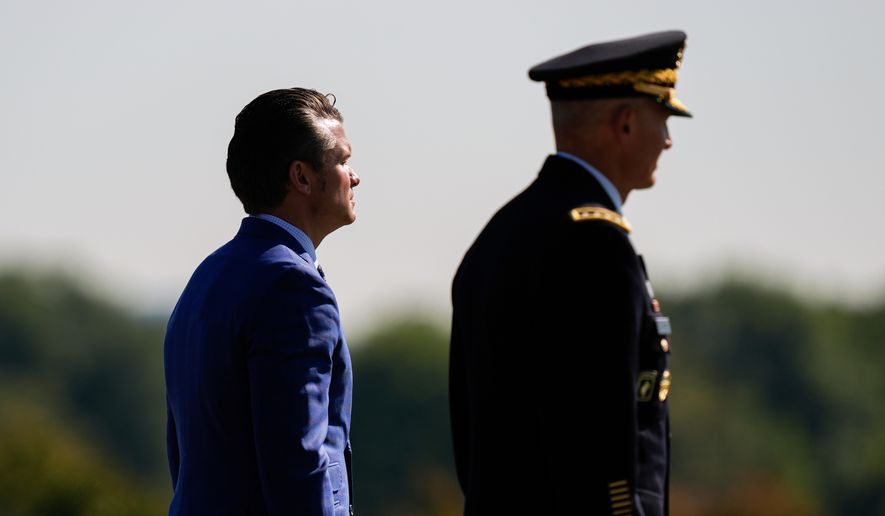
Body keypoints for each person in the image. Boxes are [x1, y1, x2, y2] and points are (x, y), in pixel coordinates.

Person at [449, 31, 691, 516]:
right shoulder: (595, 242)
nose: (667, 139)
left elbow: (473, 441)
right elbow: (603, 440)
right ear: (624, 124)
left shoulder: (501, 232)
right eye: (662, 118)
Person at [164, 87, 360, 516]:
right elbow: (298, 461)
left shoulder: (207, 276)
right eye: (343, 161)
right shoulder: (294, 288)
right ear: (302, 177)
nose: (355, 176)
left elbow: (186, 460)